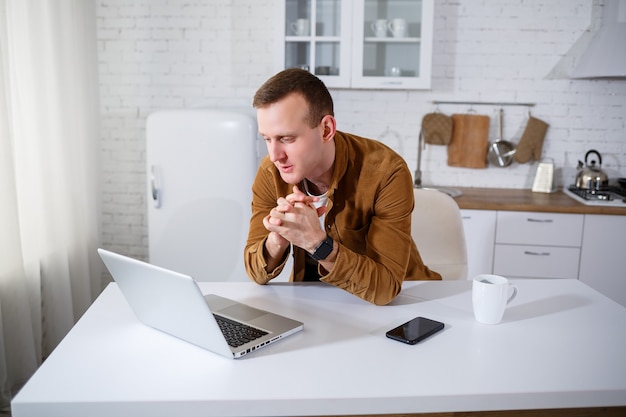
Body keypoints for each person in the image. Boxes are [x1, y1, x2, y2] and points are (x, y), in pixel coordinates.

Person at [244, 68, 441, 305]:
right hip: (319, 305)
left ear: (326, 129)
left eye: (287, 139)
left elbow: (385, 288)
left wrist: (316, 243)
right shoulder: (270, 172)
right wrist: (278, 238)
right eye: (267, 138)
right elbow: (255, 272)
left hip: (406, 304)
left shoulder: (387, 173)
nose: (275, 155)